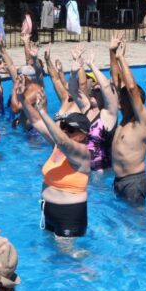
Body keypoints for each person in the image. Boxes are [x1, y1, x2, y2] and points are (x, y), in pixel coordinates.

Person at [25, 92, 92, 238]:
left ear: (83, 134)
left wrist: (43, 112)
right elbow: (35, 121)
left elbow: (62, 140)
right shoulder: (58, 146)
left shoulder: (83, 153)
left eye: (71, 130)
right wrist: (23, 99)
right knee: (48, 249)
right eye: (63, 127)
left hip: (69, 216)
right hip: (47, 210)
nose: (65, 131)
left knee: (69, 253)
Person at [109, 33, 146, 205]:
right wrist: (112, 52)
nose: (118, 102)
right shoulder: (125, 120)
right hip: (119, 181)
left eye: (123, 100)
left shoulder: (141, 122)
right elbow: (116, 81)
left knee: (138, 220)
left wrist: (122, 58)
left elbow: (132, 88)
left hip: (134, 182)